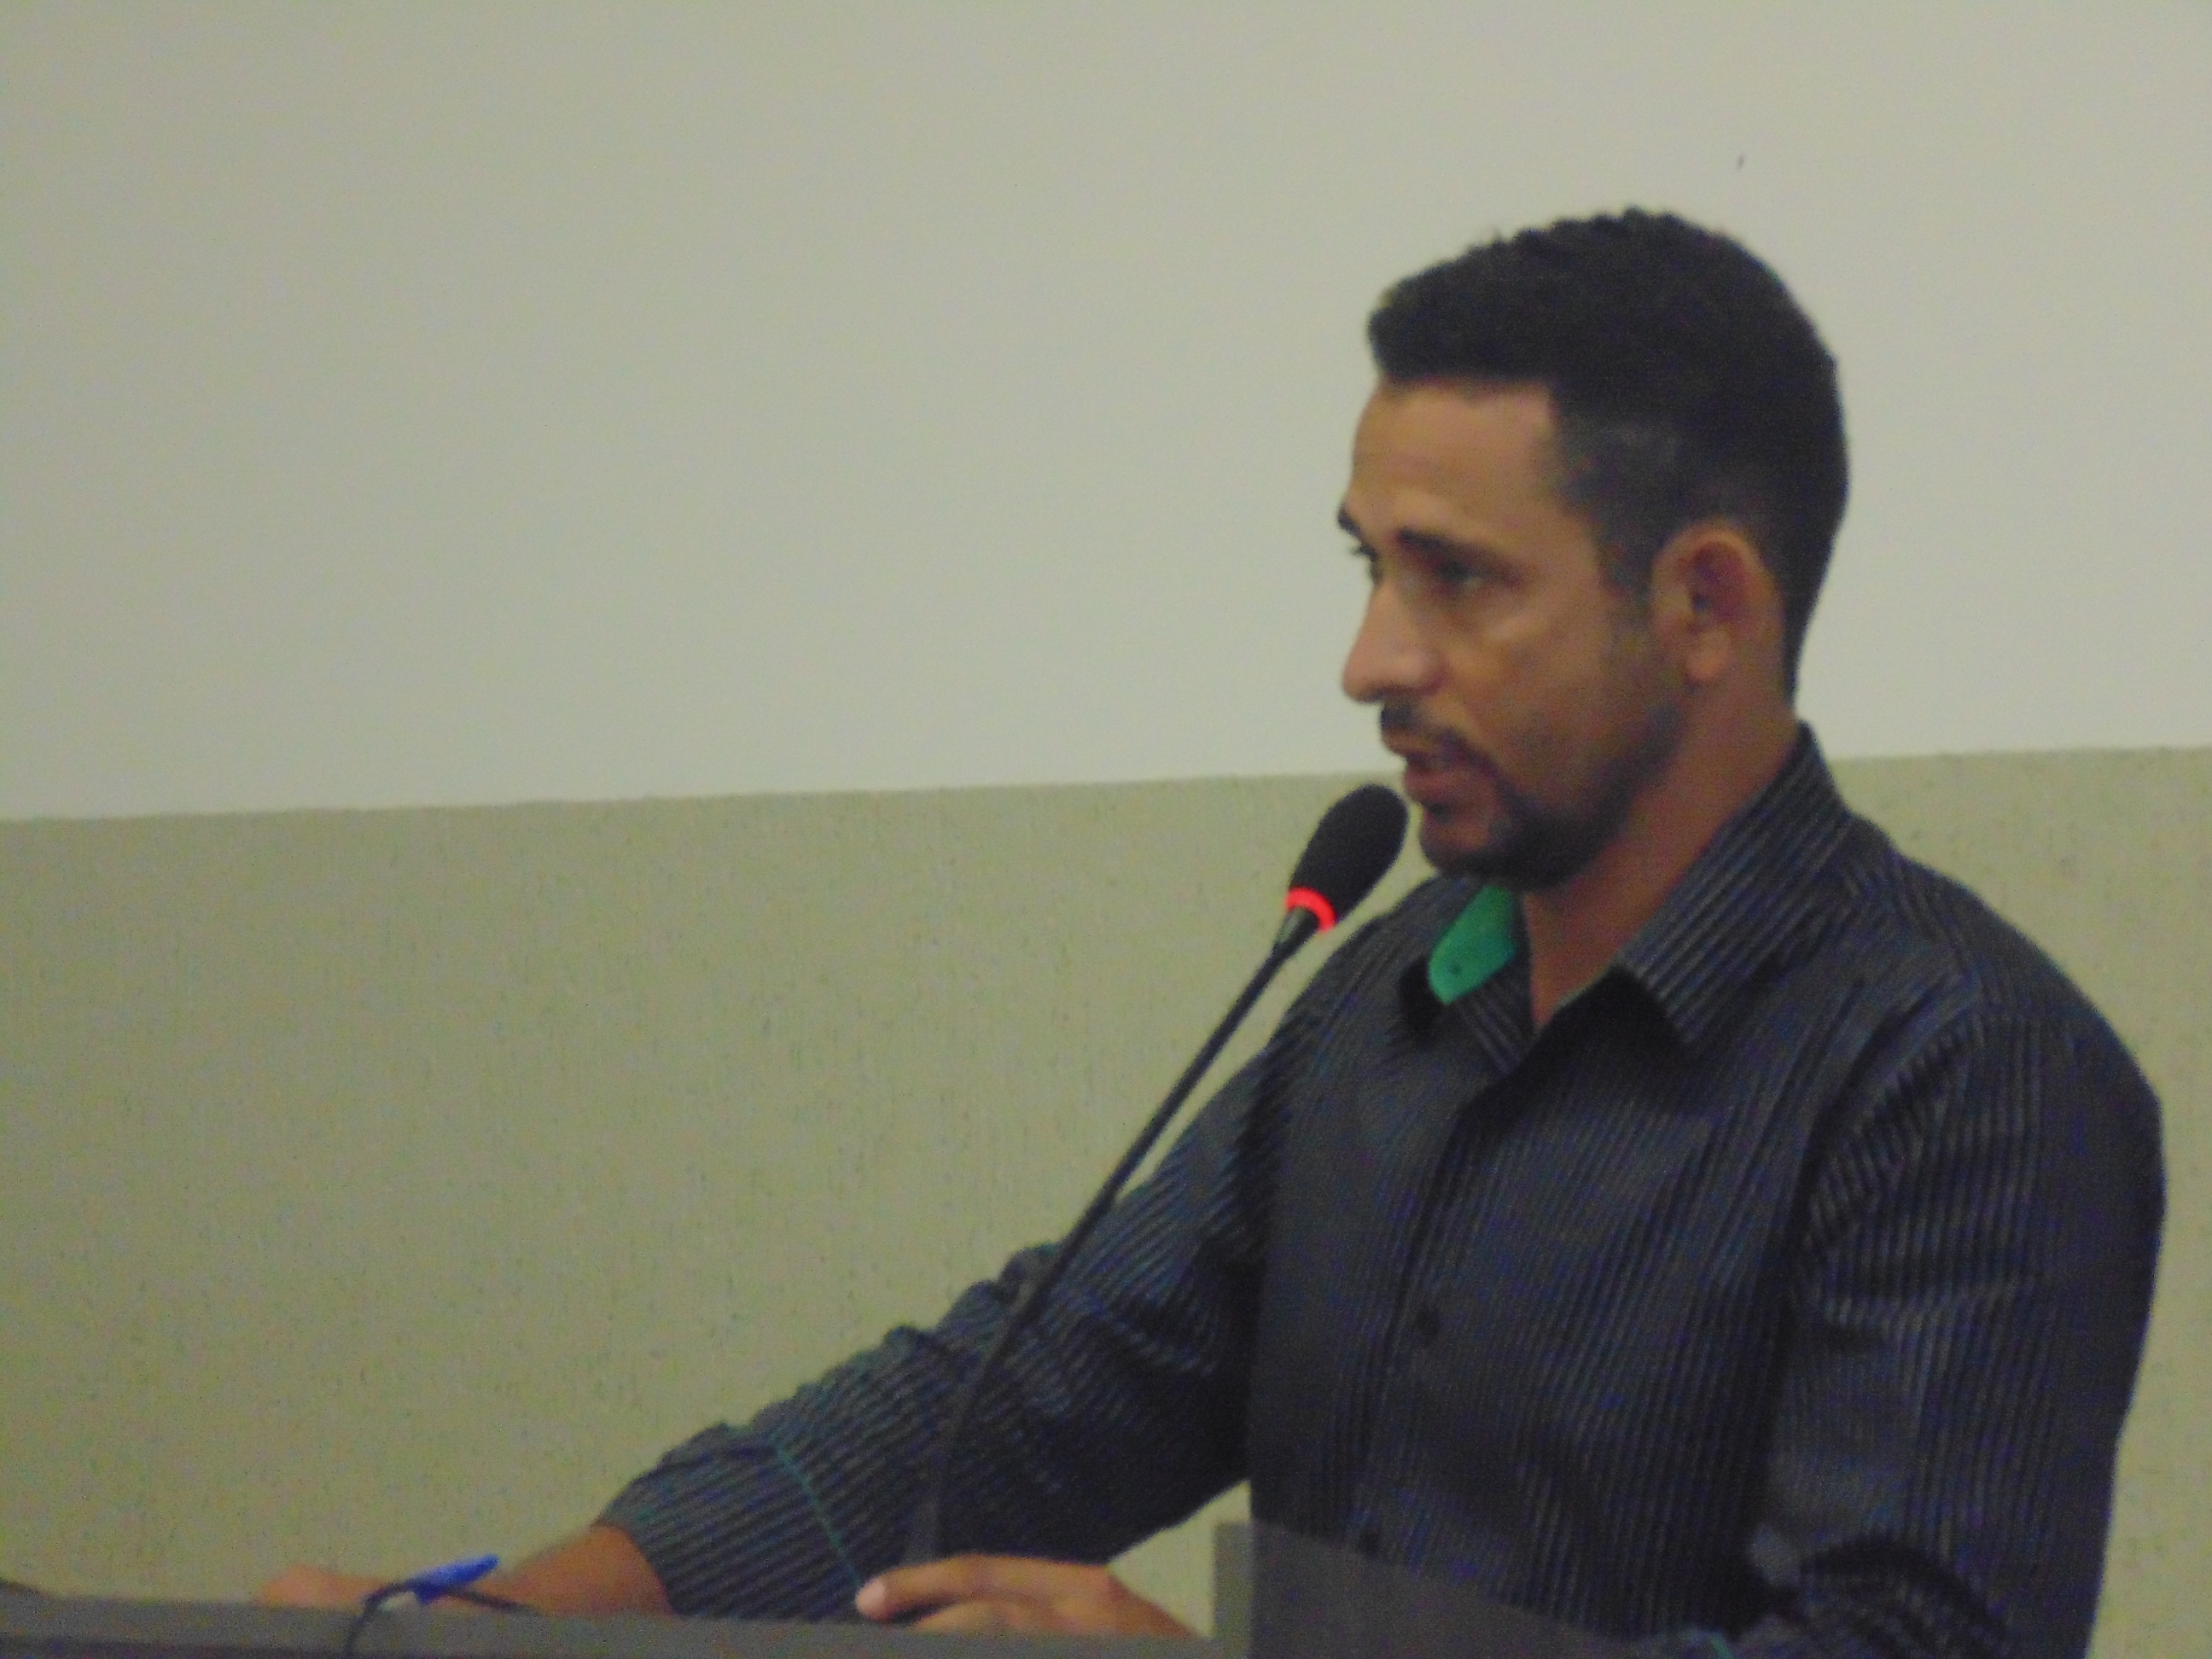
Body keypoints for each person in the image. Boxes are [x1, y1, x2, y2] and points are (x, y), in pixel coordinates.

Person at [264, 211, 2163, 1658]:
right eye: (1370, 567)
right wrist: (499, 1624)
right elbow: (1017, 1403)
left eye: (1459, 581)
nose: (1372, 661)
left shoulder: (1961, 1069)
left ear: (1706, 605)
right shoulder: (1393, 997)